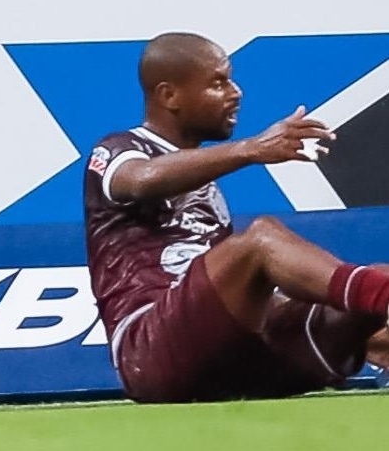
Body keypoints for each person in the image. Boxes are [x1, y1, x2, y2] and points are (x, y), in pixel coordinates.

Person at [85, 31, 389, 403]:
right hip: (149, 350)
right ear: (169, 95)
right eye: (218, 82)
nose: (236, 92)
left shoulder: (208, 192)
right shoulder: (120, 149)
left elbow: (236, 298)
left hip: (232, 363)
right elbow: (140, 180)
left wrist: (342, 323)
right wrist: (252, 149)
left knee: (372, 283)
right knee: (261, 240)